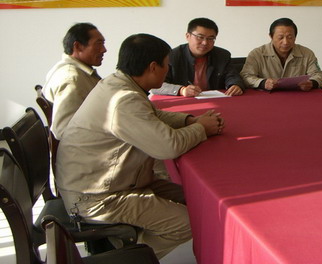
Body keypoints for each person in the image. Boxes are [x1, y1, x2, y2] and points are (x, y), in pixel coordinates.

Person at [55, 33, 224, 259]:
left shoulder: (118, 83)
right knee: (187, 223)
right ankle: (125, 256)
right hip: (97, 197)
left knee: (196, 196)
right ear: (153, 67)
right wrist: (201, 129)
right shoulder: (124, 99)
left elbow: (152, 115)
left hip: (118, 181)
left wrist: (190, 121)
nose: (168, 70)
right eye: (166, 65)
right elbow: (168, 146)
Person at [43, 23, 106, 139]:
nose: (104, 50)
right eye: (98, 44)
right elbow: (63, 130)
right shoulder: (71, 79)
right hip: (86, 147)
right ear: (78, 46)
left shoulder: (73, 70)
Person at [151, 17, 244, 97]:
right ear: (188, 36)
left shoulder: (222, 55)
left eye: (210, 38)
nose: (205, 43)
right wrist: (181, 90)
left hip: (215, 99)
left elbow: (232, 76)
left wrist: (235, 85)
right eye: (200, 37)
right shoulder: (171, 56)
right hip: (183, 102)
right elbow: (155, 86)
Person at [240, 17, 322, 91]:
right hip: (266, 98)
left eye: (290, 37)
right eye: (280, 37)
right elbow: (245, 76)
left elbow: (320, 75)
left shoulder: (307, 53)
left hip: (297, 97)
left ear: (295, 37)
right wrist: (262, 83)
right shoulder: (257, 54)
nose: (285, 42)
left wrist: (312, 83)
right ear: (271, 36)